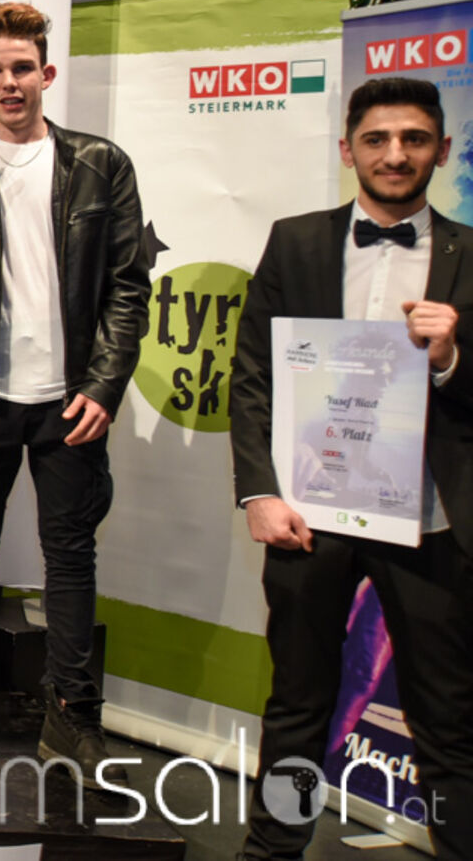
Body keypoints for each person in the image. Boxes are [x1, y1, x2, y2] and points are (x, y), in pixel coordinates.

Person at [0, 0, 149, 779]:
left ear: (47, 73)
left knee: (69, 559)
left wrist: (104, 385)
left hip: (69, 397)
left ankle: (72, 718)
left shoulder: (100, 164)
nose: (9, 82)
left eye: (21, 68)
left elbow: (128, 287)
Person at [230, 77, 473, 861]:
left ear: (442, 149)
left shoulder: (472, 254)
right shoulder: (296, 241)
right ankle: (272, 851)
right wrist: (259, 491)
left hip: (430, 522)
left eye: (413, 139)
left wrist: (451, 357)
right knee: (297, 707)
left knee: (448, 722)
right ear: (348, 150)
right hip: (308, 516)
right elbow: (252, 374)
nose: (395, 154)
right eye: (377, 139)